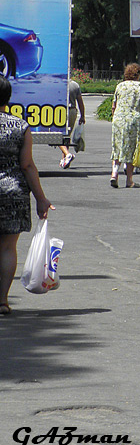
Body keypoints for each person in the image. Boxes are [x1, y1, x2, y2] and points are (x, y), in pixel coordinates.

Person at [0, 74, 54, 315]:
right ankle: (2, 301)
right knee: (8, 248)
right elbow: (27, 165)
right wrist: (40, 198)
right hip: (13, 192)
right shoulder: (20, 126)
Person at [110, 63, 140, 189]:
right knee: (131, 149)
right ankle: (129, 180)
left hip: (118, 119)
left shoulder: (120, 86)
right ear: (137, 74)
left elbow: (113, 105)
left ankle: (114, 174)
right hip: (133, 119)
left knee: (117, 146)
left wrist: (115, 117)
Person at [58, 78, 86, 169]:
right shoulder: (75, 85)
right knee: (67, 136)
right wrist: (82, 116)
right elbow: (80, 102)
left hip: (60, 110)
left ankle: (67, 154)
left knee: (57, 135)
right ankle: (65, 159)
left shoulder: (58, 83)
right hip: (72, 111)